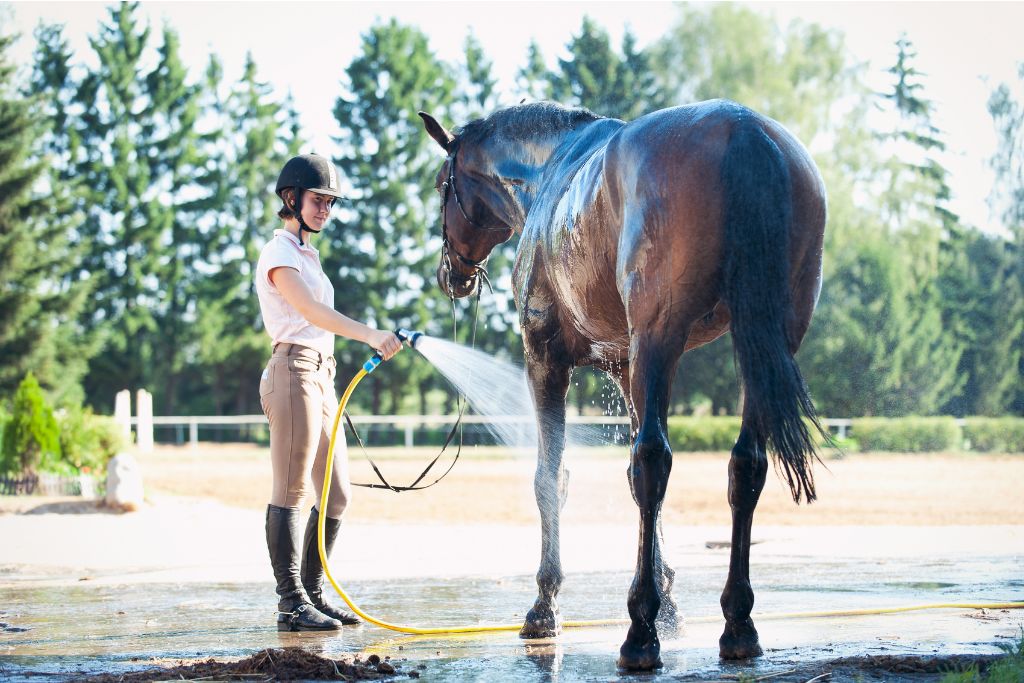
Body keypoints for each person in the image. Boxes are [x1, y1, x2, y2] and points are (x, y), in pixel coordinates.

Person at [255, 153, 403, 631]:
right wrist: (369, 334)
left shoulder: (307, 256)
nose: (325, 210)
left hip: (321, 375)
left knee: (336, 495)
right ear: (291, 199)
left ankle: (313, 591)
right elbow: (312, 313)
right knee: (292, 488)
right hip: (293, 372)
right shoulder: (279, 254)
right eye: (318, 200)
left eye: (330, 203)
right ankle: (290, 601)